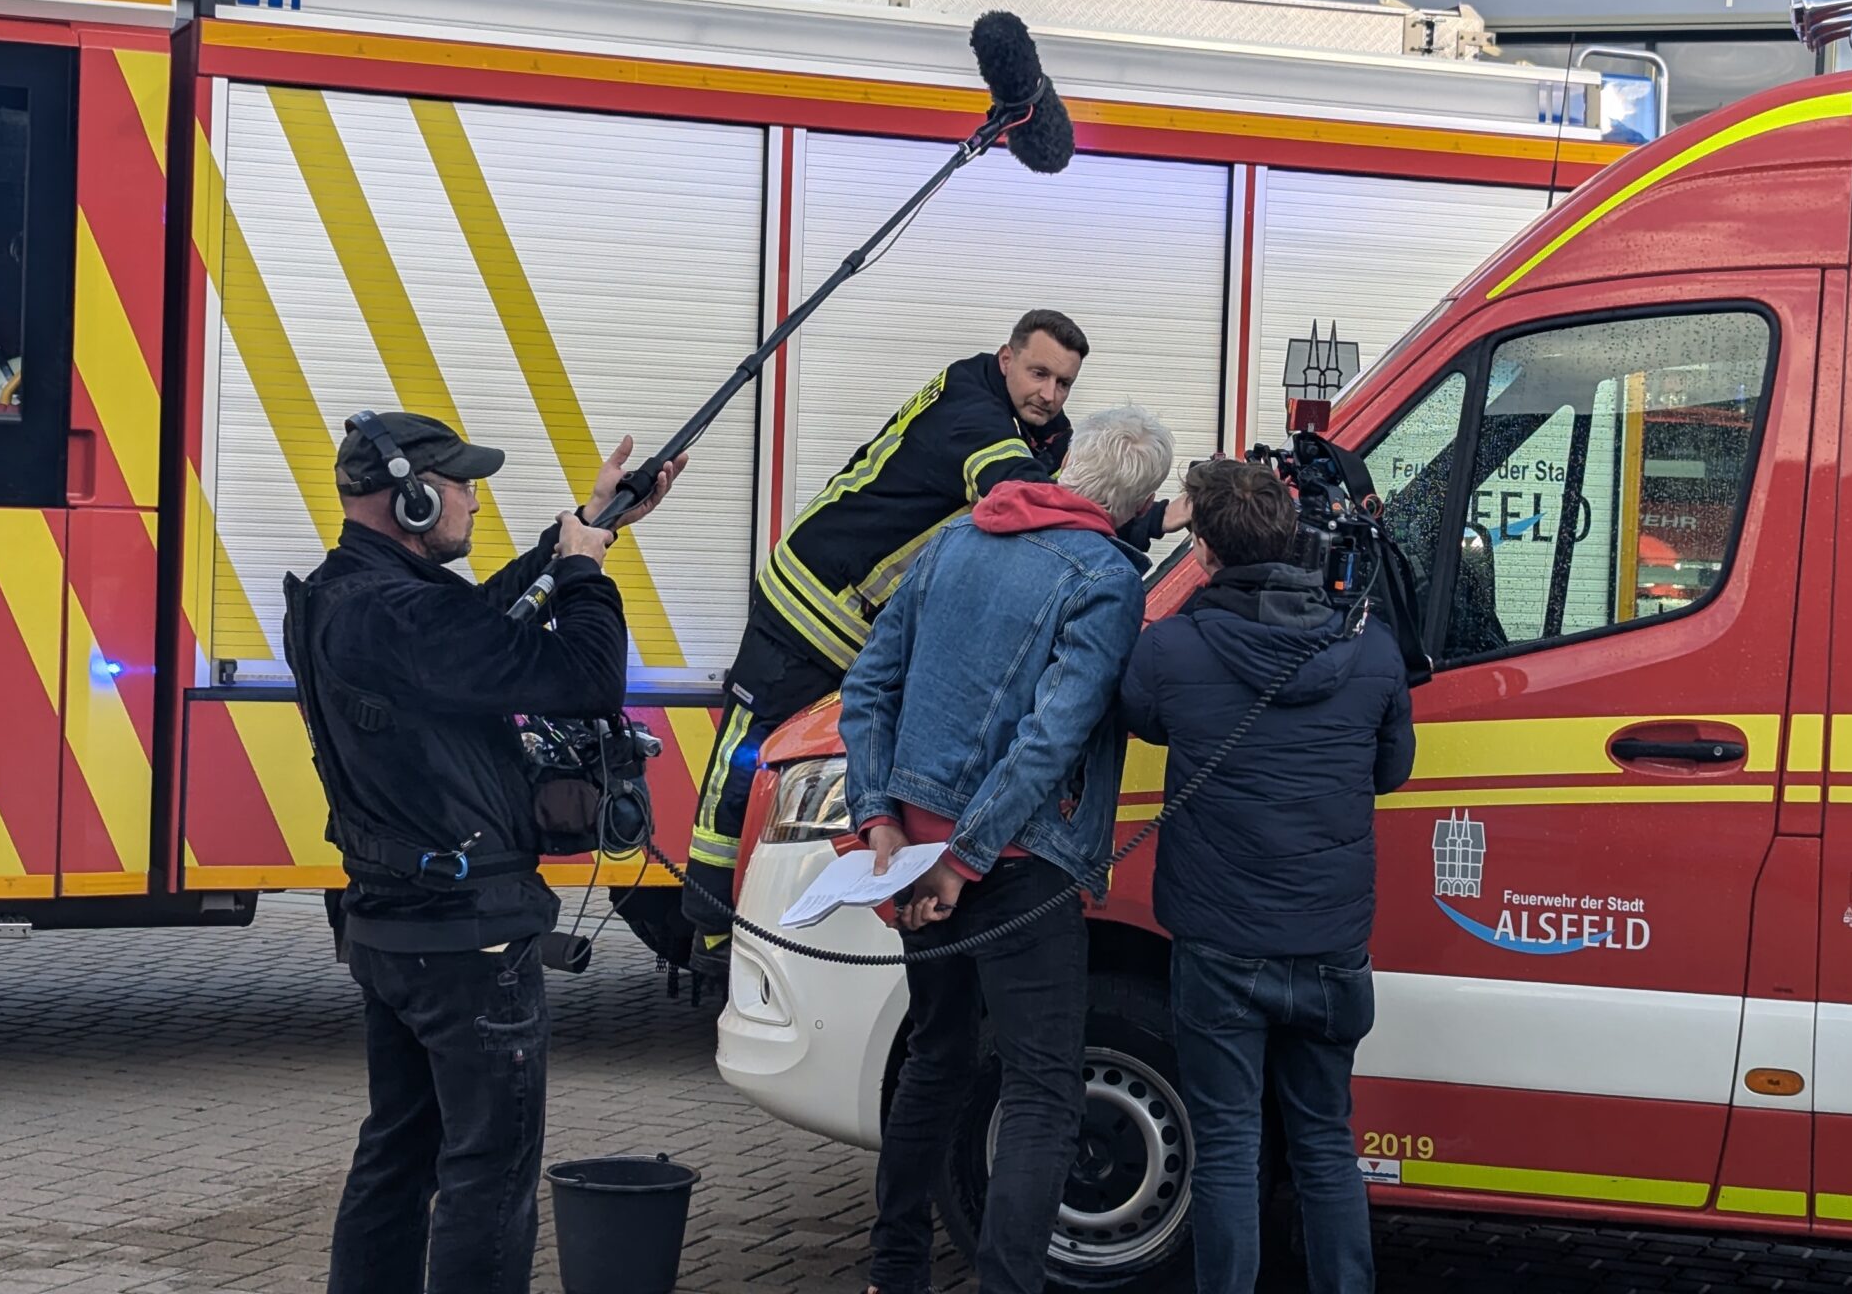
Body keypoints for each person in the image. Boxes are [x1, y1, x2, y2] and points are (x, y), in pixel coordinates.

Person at [282, 410, 681, 1294]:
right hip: (467, 940)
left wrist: (586, 524)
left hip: (394, 926)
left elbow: (470, 625)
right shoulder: (402, 614)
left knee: (398, 1154)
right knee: (488, 1173)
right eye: (461, 485)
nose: (473, 500)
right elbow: (587, 680)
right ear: (413, 500)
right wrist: (583, 575)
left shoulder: (346, 596)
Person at [671, 310, 1184, 981]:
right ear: (1006, 358)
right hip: (812, 600)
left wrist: (1149, 511)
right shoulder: (972, 414)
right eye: (1039, 373)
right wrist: (1132, 519)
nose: (1050, 394)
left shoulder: (1034, 423)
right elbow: (1025, 496)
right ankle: (709, 929)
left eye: (1064, 382)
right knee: (748, 762)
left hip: (861, 616)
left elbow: (1071, 489)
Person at [839, 405, 1176, 1294]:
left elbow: (868, 685)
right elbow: (1050, 738)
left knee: (938, 1056)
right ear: (1133, 503)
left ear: (1067, 465)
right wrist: (967, 858)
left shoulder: (957, 538)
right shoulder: (1107, 578)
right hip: (1016, 868)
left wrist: (881, 822)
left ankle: (893, 1272)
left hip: (911, 858)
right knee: (1042, 1088)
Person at [1117, 458, 1416, 1294]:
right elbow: (1391, 771)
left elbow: (1139, 714)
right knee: (1325, 1143)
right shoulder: (1371, 648)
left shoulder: (1172, 648)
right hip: (1330, 943)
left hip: (1219, 944)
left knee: (1228, 1148)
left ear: (1204, 550)